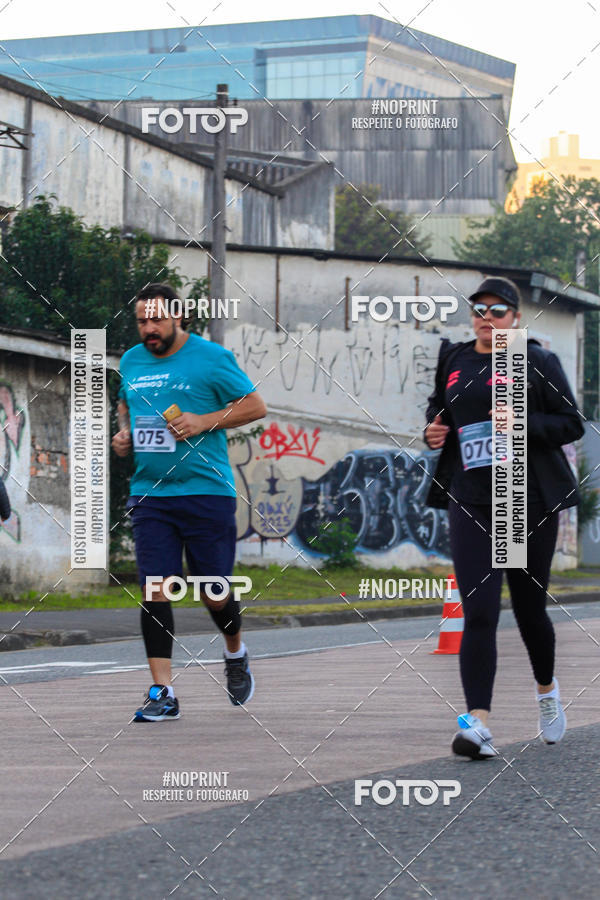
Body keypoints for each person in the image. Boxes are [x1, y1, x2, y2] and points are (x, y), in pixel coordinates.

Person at [424, 276, 584, 759]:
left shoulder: (534, 360)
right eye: (479, 310)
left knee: (529, 609)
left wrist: (523, 424)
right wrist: (433, 431)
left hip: (523, 498)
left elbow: (570, 423)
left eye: (498, 311)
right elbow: (440, 411)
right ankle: (478, 724)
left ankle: (547, 692)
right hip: (471, 497)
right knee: (480, 613)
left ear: (515, 317)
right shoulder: (454, 359)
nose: (487, 318)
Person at [112, 283, 267, 722]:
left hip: (206, 490)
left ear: (179, 318)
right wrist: (124, 437)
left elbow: (255, 406)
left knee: (213, 590)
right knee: (155, 588)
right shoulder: (131, 360)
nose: (149, 329)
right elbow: (126, 409)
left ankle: (235, 652)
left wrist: (203, 420)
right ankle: (162, 691)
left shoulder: (211, 357)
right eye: (142, 320)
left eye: (157, 320)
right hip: (151, 494)